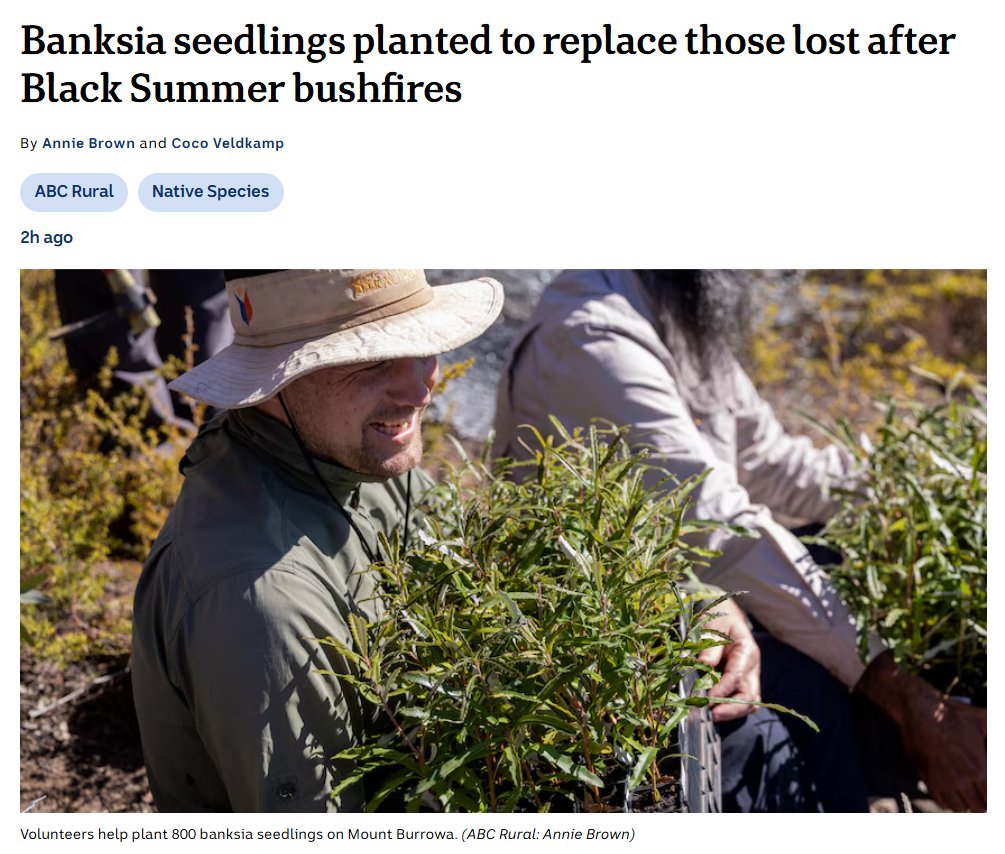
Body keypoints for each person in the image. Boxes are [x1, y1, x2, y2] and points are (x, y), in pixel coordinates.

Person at [493, 268, 986, 812]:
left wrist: (932, 489)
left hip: (703, 592)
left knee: (875, 593)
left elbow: (774, 466)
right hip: (611, 636)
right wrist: (903, 692)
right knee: (811, 691)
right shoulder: (592, 337)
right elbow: (717, 526)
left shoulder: (669, 308)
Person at [130, 269, 504, 812]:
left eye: (425, 342)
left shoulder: (347, 451)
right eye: (376, 358)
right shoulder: (260, 606)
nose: (422, 385)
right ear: (280, 376)